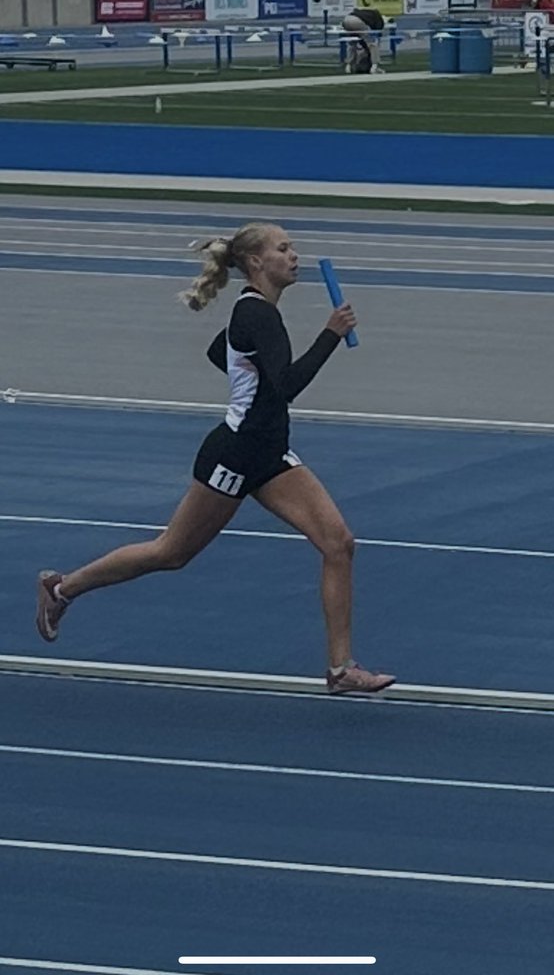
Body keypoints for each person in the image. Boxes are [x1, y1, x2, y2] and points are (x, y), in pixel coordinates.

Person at [36, 223, 396, 696]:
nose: (294, 255)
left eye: (292, 247)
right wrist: (330, 335)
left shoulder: (256, 314)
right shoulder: (258, 316)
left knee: (338, 544)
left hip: (269, 453)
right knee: (171, 553)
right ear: (255, 263)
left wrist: (244, 375)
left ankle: (341, 669)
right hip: (236, 455)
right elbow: (285, 387)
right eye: (283, 248)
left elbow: (220, 353)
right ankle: (61, 589)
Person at [341, 7, 385, 74]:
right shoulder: (377, 17)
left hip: (346, 19)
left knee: (353, 44)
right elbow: (377, 32)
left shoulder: (365, 12)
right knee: (373, 44)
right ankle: (374, 66)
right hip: (357, 21)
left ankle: (348, 66)